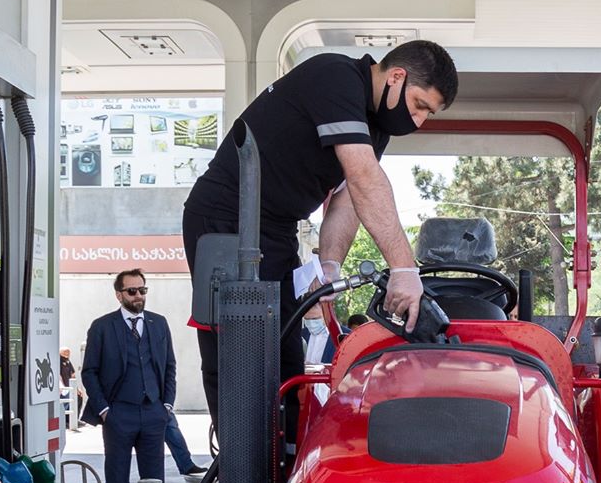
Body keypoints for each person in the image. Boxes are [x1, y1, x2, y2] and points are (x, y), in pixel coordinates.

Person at [181, 41, 457, 420]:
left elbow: (347, 198)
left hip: (277, 228)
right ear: (397, 76)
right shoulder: (335, 77)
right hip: (226, 218)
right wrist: (404, 269)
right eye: (420, 105)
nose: (420, 120)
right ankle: (239, 454)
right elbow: (364, 178)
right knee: (240, 355)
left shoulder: (376, 127)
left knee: (285, 356)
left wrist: (330, 265)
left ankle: (285, 447)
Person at [80, 269, 178, 483]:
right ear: (119, 294)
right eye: (132, 291)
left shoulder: (159, 323)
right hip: (118, 414)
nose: (139, 296)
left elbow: (169, 365)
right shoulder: (102, 327)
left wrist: (166, 405)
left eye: (142, 290)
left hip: (153, 415)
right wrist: (104, 409)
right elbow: (89, 371)